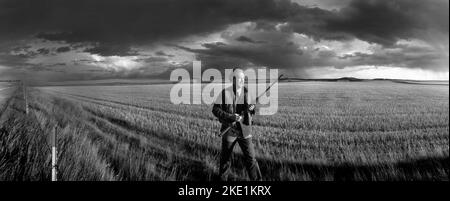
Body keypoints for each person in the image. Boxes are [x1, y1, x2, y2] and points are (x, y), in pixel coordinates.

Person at [212, 68, 262, 181]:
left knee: (251, 159)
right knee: (225, 159)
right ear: (233, 80)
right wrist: (230, 117)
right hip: (229, 130)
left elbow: (251, 110)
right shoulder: (225, 93)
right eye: (239, 78)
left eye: (243, 78)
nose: (242, 80)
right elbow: (215, 110)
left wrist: (252, 108)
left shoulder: (247, 92)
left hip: (245, 130)